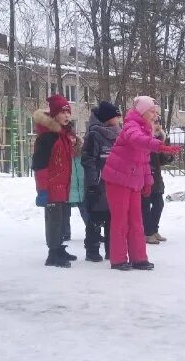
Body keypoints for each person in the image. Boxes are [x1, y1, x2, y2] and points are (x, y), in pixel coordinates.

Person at [101, 96, 180, 270]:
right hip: (117, 179)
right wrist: (159, 146)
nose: (155, 116)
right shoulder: (131, 125)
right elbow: (137, 140)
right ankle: (118, 259)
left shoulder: (146, 129)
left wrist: (148, 181)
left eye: (156, 112)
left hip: (133, 181)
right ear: (143, 111)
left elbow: (144, 160)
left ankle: (139, 258)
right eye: (152, 111)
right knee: (120, 220)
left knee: (137, 220)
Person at [32, 95, 77, 268]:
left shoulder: (63, 135)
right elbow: (40, 165)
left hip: (62, 185)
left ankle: (59, 248)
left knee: (61, 218)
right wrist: (42, 190)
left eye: (68, 112)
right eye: (62, 112)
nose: (66, 116)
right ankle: (52, 253)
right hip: (51, 186)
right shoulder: (47, 137)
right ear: (54, 114)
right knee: (53, 220)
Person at [81, 100, 120, 262]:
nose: (119, 118)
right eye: (116, 116)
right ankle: (92, 250)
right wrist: (92, 183)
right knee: (95, 219)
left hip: (114, 184)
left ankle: (111, 250)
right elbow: (88, 160)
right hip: (97, 184)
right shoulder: (94, 135)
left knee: (113, 219)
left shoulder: (119, 134)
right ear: (107, 118)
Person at [142, 114, 174, 244]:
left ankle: (153, 230)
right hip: (145, 177)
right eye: (154, 122)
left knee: (158, 204)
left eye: (158, 122)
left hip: (156, 178)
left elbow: (162, 161)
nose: (157, 125)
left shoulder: (161, 138)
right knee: (145, 206)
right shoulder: (144, 138)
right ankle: (147, 233)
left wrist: (167, 153)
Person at [61, 136, 88, 242]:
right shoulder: (63, 152)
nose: (72, 140)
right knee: (65, 214)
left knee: (86, 212)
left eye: (73, 138)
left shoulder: (83, 152)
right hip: (68, 188)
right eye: (69, 138)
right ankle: (65, 234)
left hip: (81, 188)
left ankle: (92, 232)